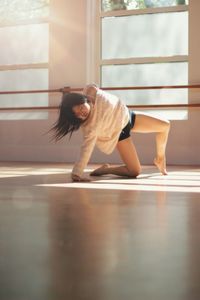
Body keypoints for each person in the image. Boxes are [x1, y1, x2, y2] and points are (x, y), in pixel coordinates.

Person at [51, 84, 170, 182]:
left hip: (127, 116)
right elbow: (85, 150)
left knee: (165, 125)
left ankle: (160, 159)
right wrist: (77, 173)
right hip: (119, 134)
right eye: (78, 115)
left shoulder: (91, 93)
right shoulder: (89, 127)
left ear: (83, 100)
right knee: (135, 171)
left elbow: (92, 86)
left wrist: (91, 94)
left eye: (81, 108)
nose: (82, 113)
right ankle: (105, 170)